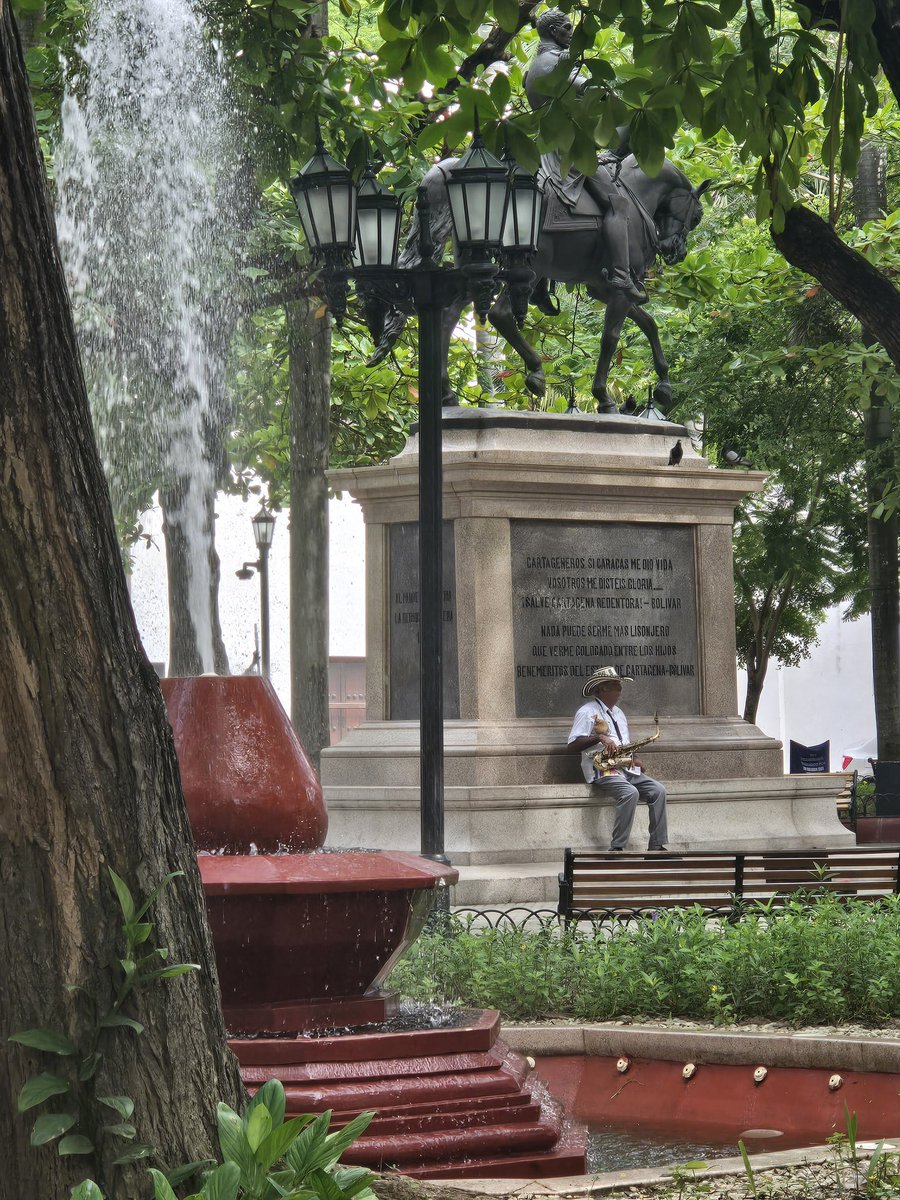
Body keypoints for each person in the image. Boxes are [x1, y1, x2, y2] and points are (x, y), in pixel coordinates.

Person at [524, 7, 646, 306]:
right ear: (554, 32)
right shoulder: (560, 61)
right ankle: (622, 276)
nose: (571, 32)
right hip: (570, 150)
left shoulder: (533, 65)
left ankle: (538, 284)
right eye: (567, 27)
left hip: (541, 148)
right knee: (617, 203)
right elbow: (596, 93)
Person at [568, 665, 669, 852]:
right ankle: (617, 848)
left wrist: (635, 757)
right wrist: (599, 737)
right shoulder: (587, 712)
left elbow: (624, 743)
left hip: (626, 768)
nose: (620, 690)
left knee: (658, 790)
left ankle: (656, 846)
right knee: (630, 793)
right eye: (617, 686)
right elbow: (573, 744)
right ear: (603, 689)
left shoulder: (619, 713)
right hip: (603, 770)